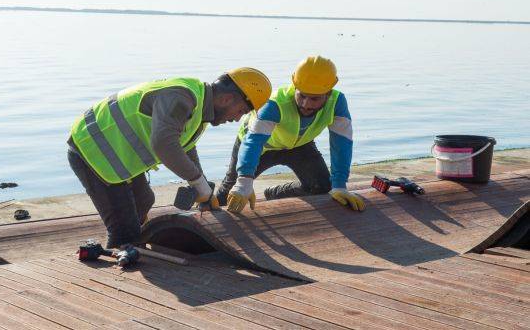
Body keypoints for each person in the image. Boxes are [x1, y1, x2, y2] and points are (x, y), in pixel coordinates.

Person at [67, 68, 271, 248]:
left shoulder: (199, 106)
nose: (237, 119)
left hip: (114, 152)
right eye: (241, 111)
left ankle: (129, 248)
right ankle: (122, 255)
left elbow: (186, 147)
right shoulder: (181, 97)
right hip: (91, 149)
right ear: (226, 99)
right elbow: (164, 144)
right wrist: (198, 183)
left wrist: (205, 190)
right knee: (125, 232)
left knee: (144, 200)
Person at [216, 56, 365, 212]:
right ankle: (203, 210)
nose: (306, 104)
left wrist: (340, 185)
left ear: (328, 94)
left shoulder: (338, 102)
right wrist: (244, 180)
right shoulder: (274, 104)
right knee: (229, 192)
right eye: (302, 96)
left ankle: (275, 193)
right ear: (295, 86)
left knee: (322, 187)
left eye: (314, 99)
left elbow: (342, 144)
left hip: (299, 146)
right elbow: (253, 142)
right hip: (261, 147)